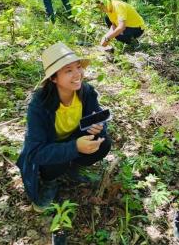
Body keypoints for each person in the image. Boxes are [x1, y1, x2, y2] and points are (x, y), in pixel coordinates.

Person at [16, 42, 112, 212]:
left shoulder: (86, 92)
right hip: (51, 146)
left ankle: (72, 167)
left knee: (104, 143)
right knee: (54, 163)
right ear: (54, 78)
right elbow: (35, 152)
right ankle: (50, 181)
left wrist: (99, 125)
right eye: (68, 70)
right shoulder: (40, 105)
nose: (77, 74)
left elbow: (97, 115)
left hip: (75, 137)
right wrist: (75, 147)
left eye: (78, 67)